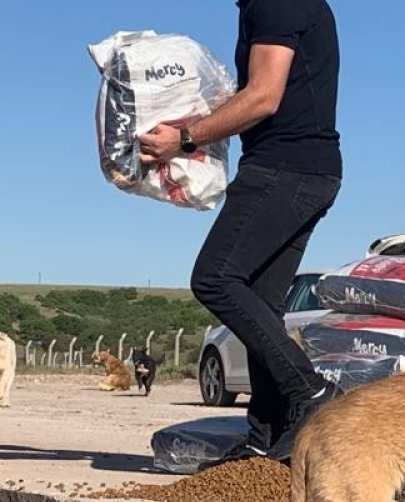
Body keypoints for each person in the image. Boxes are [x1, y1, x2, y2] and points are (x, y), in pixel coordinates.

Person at [139, 0, 343, 466]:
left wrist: (186, 138)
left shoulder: (277, 1)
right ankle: (265, 437)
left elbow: (263, 96)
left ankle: (312, 392)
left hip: (285, 170)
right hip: (303, 171)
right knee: (261, 301)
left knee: (216, 278)